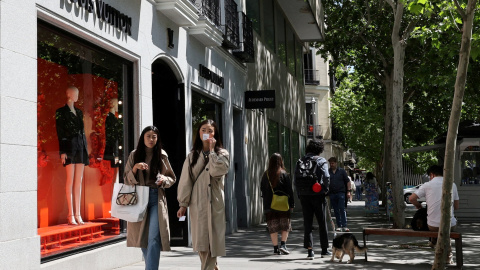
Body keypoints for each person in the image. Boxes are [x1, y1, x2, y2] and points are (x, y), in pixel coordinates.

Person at [177, 119, 230, 270]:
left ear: (215, 134)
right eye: (203, 130)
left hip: (215, 202)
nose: (207, 133)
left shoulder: (223, 154)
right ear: (199, 133)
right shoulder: (192, 155)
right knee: (202, 244)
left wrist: (212, 151)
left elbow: (216, 171)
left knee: (212, 242)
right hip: (197, 203)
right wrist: (183, 204)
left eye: (210, 130)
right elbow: (185, 181)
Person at [124, 126, 176, 270]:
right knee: (142, 239)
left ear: (157, 138)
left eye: (154, 136)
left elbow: (172, 178)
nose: (151, 139)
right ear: (143, 137)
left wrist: (163, 180)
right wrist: (135, 168)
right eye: (148, 136)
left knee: (153, 237)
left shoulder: (162, 155)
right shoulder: (135, 155)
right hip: (139, 198)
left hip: (155, 198)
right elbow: (126, 179)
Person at [409, 165, 459, 264]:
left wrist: (418, 206)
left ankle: (434, 242)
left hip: (433, 225)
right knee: (446, 227)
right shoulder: (452, 185)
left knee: (437, 225)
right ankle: (448, 257)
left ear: (431, 174)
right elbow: (457, 207)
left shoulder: (427, 185)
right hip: (451, 225)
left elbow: (411, 198)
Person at [55, 86, 89, 225]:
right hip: (69, 148)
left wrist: (85, 148)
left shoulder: (79, 112)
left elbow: (82, 131)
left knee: (78, 181)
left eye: (78, 93)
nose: (77, 96)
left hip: (80, 147)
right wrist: (62, 151)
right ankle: (70, 215)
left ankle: (78, 213)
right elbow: (60, 132)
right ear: (68, 94)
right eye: (75, 93)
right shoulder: (61, 112)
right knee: (70, 180)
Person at [295, 140, 331, 260]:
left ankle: (310, 251)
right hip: (317, 194)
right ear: (319, 150)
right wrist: (325, 190)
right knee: (322, 222)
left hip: (304, 195)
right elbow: (326, 176)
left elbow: (295, 179)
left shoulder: (300, 161)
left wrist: (300, 193)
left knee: (307, 223)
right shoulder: (321, 160)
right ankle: (324, 250)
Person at [260, 153, 294, 255]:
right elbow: (289, 191)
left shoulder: (265, 175)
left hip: (269, 205)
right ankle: (283, 245)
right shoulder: (284, 174)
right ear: (281, 161)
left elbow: (262, 189)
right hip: (283, 204)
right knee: (285, 225)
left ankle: (275, 248)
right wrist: (291, 204)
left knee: (272, 226)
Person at [328, 157, 351, 232]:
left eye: (333, 163)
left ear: (336, 163)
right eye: (330, 163)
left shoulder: (342, 171)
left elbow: (347, 181)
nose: (331, 165)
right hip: (332, 193)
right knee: (335, 210)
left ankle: (344, 225)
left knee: (342, 208)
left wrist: (348, 191)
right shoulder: (328, 172)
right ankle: (339, 226)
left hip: (341, 193)